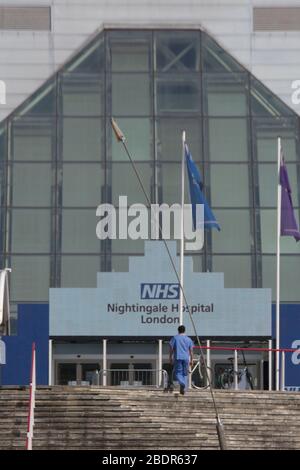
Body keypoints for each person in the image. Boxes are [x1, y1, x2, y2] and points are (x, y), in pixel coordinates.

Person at [169, 325, 194, 395]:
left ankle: (182, 383)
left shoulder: (175, 338)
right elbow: (191, 351)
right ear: (184, 330)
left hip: (178, 357)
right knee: (185, 374)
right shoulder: (188, 339)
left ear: (178, 330)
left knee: (178, 373)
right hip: (186, 358)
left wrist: (170, 357)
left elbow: (171, 349)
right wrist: (191, 360)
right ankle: (184, 389)